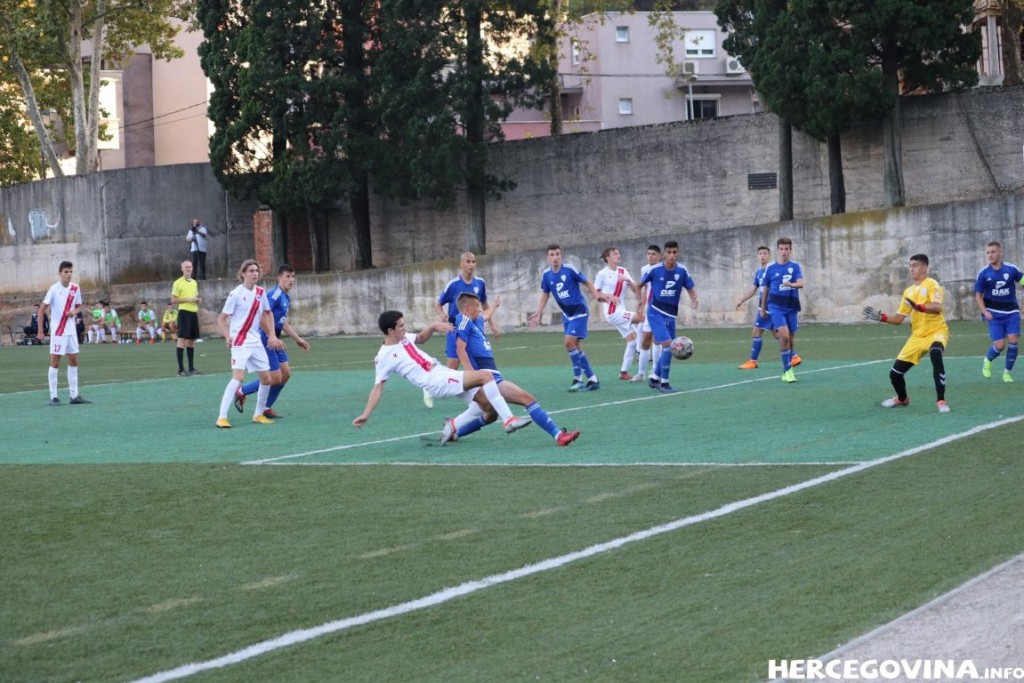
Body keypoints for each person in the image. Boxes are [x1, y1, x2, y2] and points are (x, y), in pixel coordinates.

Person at [353, 310, 532, 434]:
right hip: (435, 381)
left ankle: (452, 425)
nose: (404, 328)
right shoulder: (383, 356)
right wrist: (365, 414)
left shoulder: (403, 337)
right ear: (390, 331)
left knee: (488, 406)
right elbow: (378, 388)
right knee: (486, 376)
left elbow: (420, 338)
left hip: (441, 372)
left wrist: (433, 326)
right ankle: (509, 420)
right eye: (401, 326)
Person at [442, 292, 580, 446]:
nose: (480, 310)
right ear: (467, 308)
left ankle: (455, 431)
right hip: (488, 378)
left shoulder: (475, 321)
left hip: (490, 376)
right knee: (528, 399)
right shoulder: (464, 321)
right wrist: (474, 376)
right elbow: (460, 349)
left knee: (490, 416)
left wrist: (494, 306)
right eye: (477, 307)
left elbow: (485, 315)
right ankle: (559, 435)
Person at [863, 253, 951, 413]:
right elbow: (898, 319)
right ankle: (902, 399)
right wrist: (881, 317)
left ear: (924, 267)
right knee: (895, 374)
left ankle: (941, 401)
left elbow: (937, 307)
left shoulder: (932, 284)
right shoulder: (908, 292)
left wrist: (920, 307)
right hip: (917, 336)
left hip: (936, 331)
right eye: (910, 266)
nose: (911, 269)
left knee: (936, 352)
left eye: (915, 265)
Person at [528, 244, 610, 392]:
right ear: (548, 258)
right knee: (576, 346)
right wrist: (539, 312)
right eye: (552, 255)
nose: (555, 257)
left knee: (568, 342)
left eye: (557, 254)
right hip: (567, 314)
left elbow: (587, 282)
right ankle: (592, 379)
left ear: (561, 256)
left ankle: (578, 379)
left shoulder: (569, 269)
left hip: (579, 311)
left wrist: (597, 296)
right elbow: (545, 293)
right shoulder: (546, 275)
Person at [233, 264, 310, 419]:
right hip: (265, 339)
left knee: (285, 374)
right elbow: (261, 315)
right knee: (274, 378)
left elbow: (281, 321)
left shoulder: (285, 296)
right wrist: (271, 336)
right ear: (279, 278)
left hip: (275, 339)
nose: (291, 280)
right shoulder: (274, 294)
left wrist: (297, 339)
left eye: (293, 277)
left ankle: (266, 408)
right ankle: (241, 391)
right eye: (287, 276)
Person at [215, 260, 285, 428]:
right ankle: (222, 417)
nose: (255, 274)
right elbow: (222, 319)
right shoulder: (235, 294)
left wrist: (272, 335)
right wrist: (227, 336)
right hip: (240, 341)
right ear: (243, 273)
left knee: (267, 379)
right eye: (251, 271)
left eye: (256, 271)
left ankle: (258, 414)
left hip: (256, 342)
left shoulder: (261, 292)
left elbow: (267, 314)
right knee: (238, 378)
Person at [427, 251, 499, 408]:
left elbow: (484, 304)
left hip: (474, 330)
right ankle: (430, 387)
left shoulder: (480, 283)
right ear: (461, 264)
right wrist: (442, 315)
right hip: (456, 330)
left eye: (473, 261)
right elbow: (438, 304)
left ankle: (478, 396)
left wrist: (492, 325)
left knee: (476, 362)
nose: (471, 264)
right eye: (468, 261)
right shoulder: (453, 284)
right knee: (452, 368)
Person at [639, 240, 698, 393]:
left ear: (678, 253)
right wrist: (640, 302)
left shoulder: (682, 270)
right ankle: (664, 383)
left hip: (671, 314)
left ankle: (654, 379)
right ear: (664, 253)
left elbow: (690, 286)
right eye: (669, 252)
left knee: (670, 349)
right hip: (655, 312)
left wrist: (694, 298)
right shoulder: (654, 269)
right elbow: (639, 285)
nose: (672, 255)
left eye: (674, 252)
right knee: (668, 345)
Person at [38, 260, 90, 405]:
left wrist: (74, 312)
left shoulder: (75, 288)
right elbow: (41, 310)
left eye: (71, 272)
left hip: (71, 331)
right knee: (55, 362)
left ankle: (74, 396)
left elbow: (78, 306)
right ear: (60, 273)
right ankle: (53, 396)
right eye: (66, 272)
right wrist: (40, 330)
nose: (69, 274)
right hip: (58, 331)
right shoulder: (54, 289)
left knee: (73, 361)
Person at [973, 241, 1024, 383]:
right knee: (1000, 345)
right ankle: (988, 360)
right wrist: (985, 311)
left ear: (1000, 253)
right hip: (994, 314)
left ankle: (1007, 373)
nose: (990, 255)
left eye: (993, 252)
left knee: (1013, 340)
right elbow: (978, 295)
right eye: (988, 252)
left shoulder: (1011, 269)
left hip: (1012, 312)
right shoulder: (983, 273)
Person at [593, 247, 645, 380]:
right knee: (643, 318)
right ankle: (642, 351)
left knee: (632, 341)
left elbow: (635, 289)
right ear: (608, 258)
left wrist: (627, 280)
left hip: (621, 311)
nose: (619, 255)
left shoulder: (623, 271)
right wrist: (608, 296)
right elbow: (597, 295)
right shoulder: (602, 274)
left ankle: (623, 372)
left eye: (619, 253)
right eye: (615, 254)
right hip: (612, 313)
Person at [759, 237, 804, 383]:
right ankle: (788, 371)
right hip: (776, 306)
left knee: (790, 339)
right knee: (784, 336)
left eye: (786, 249)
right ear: (777, 250)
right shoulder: (770, 268)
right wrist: (763, 308)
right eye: (781, 249)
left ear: (790, 250)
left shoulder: (795, 266)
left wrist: (791, 284)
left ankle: (787, 368)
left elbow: (801, 283)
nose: (784, 251)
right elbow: (766, 288)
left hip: (791, 305)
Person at [735, 245, 779, 369]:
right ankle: (792, 355)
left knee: (758, 331)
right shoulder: (759, 272)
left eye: (765, 253)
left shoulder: (772, 270)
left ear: (769, 255)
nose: (762, 256)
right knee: (774, 333)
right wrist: (742, 300)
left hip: (770, 307)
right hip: (764, 307)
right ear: (757, 256)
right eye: (760, 253)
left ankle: (753, 361)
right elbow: (753, 289)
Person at [632, 244, 662, 383]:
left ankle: (655, 371)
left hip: (661, 310)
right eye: (649, 254)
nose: (650, 256)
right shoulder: (645, 269)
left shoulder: (662, 269)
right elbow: (644, 289)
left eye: (653, 254)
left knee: (657, 340)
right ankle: (641, 373)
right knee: (645, 341)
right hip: (650, 310)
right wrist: (641, 305)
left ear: (659, 256)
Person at [171, 260, 201, 376]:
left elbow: (195, 296)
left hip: (193, 313)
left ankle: (191, 368)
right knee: (182, 339)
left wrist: (197, 300)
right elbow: (173, 300)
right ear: (182, 269)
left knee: (191, 340)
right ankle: (181, 370)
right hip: (184, 313)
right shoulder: (178, 283)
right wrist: (189, 299)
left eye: (190, 267)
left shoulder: (194, 282)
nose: (188, 269)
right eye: (186, 267)